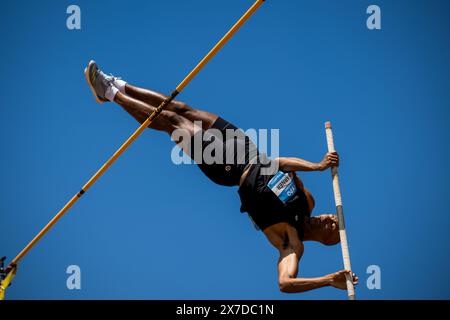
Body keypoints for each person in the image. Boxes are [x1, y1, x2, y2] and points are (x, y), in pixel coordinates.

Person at [84, 60, 358, 293]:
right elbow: (280, 163)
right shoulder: (307, 201)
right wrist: (317, 165)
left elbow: (285, 283)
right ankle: (118, 84)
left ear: (326, 241)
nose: (331, 218)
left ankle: (109, 93)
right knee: (182, 108)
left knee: (172, 122)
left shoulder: (291, 243)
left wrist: (328, 281)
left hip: (229, 169)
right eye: (335, 217)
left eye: (334, 226)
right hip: (249, 149)